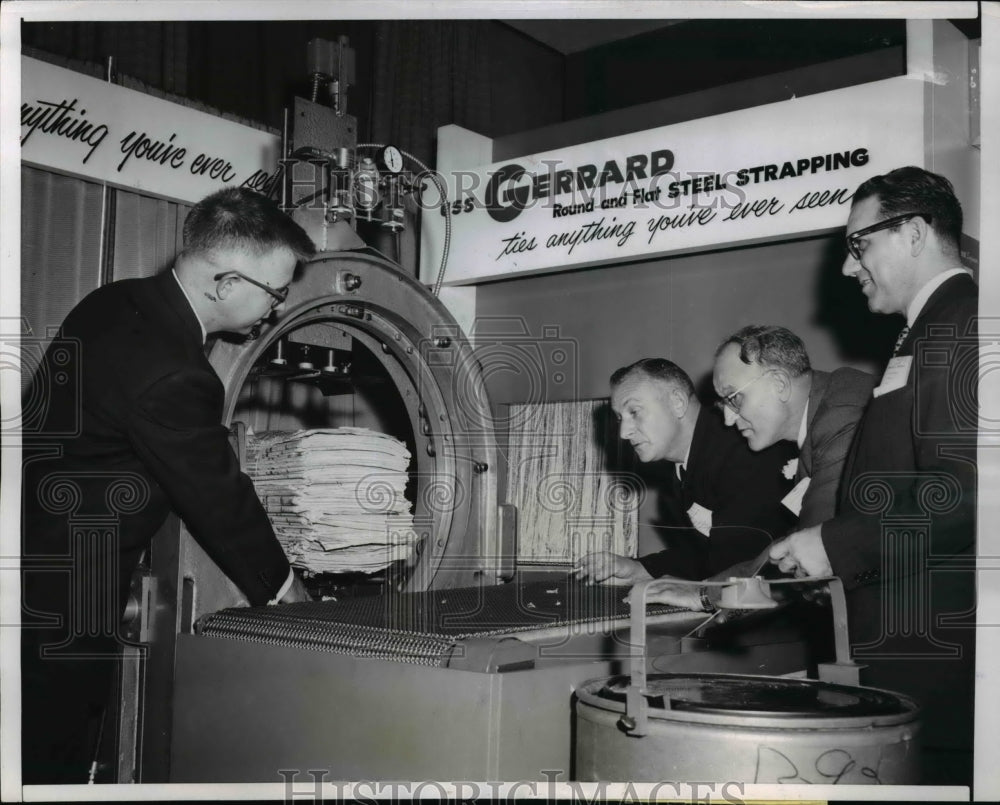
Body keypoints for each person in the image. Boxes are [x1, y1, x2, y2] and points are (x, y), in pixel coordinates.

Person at [650, 167, 978, 786]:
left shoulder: (961, 324)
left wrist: (832, 542)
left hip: (933, 664)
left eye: (860, 245)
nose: (850, 267)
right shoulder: (928, 331)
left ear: (912, 233)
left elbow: (969, 492)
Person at [21, 187, 316, 784]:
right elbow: (218, 497)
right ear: (226, 283)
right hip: (63, 590)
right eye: (277, 293)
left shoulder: (115, 301)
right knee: (50, 756)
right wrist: (290, 596)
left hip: (29, 543)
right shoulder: (175, 372)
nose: (279, 309)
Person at [574, 358, 795, 584]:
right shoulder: (688, 465)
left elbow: (744, 566)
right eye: (620, 418)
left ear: (678, 402)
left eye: (634, 411)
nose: (624, 432)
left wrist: (694, 594)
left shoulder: (742, 453)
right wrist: (636, 568)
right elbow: (707, 556)